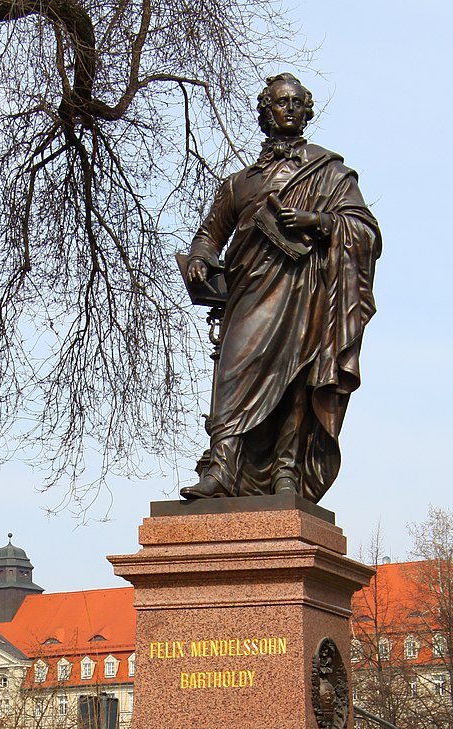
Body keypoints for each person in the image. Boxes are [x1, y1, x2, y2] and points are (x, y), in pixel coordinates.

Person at [180, 73, 381, 502]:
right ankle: (221, 469)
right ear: (266, 111)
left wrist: (319, 222)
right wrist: (200, 258)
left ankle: (286, 471)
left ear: (306, 111)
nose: (288, 108)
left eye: (295, 102)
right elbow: (210, 235)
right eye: (280, 102)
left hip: (304, 292)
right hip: (249, 293)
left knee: (294, 380)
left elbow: (365, 231)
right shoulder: (240, 183)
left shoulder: (330, 173)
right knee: (231, 374)